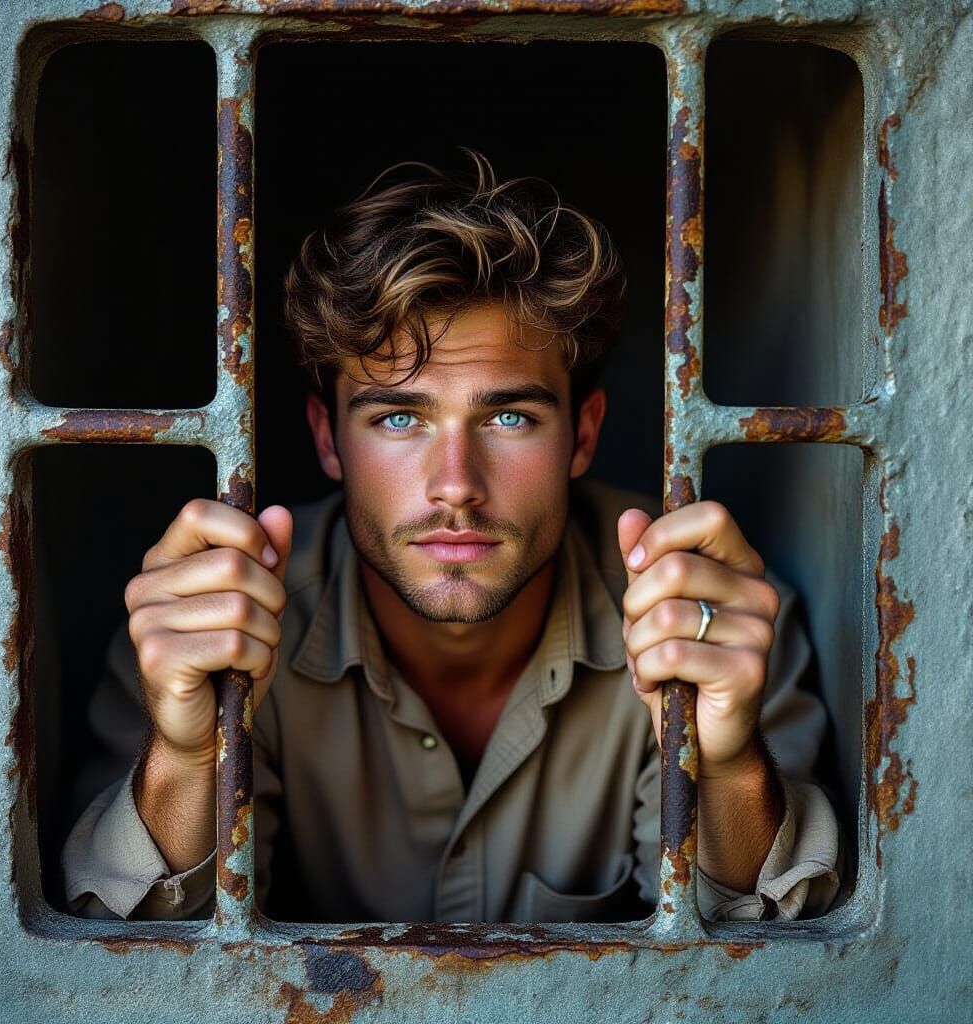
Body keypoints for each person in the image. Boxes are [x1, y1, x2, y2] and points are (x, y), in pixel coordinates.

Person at [62, 151, 840, 923]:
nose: (456, 482)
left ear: (583, 435)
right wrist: (191, 758)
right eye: (399, 417)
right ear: (328, 440)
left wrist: (730, 766)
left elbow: (768, 962)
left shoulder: (707, 616)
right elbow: (121, 953)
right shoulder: (209, 620)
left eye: (510, 417)